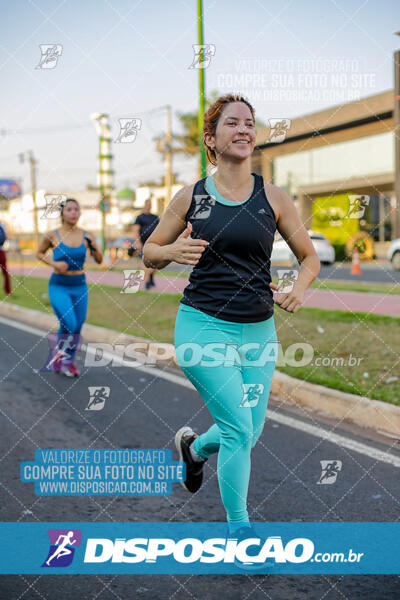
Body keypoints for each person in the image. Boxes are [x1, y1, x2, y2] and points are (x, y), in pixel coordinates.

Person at [142, 93, 320, 551]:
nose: (244, 130)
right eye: (233, 124)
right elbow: (149, 252)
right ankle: (240, 531)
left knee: (249, 429)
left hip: (259, 331)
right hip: (202, 325)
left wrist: (298, 290)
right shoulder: (192, 196)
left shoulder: (274, 197)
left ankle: (195, 448)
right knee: (240, 429)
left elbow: (309, 259)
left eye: (249, 123)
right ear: (211, 139)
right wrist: (170, 252)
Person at [37, 197, 102, 376]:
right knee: (70, 323)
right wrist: (54, 264)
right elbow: (39, 253)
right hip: (59, 285)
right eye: (70, 210)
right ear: (62, 213)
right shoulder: (52, 235)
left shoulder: (87, 235)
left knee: (77, 326)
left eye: (77, 209)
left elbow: (99, 260)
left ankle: (66, 360)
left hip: (80, 286)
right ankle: (63, 358)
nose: (74, 213)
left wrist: (94, 247)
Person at [133, 198, 159, 289]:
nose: (149, 205)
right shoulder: (139, 217)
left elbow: (159, 230)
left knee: (156, 263)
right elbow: (136, 230)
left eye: (150, 204)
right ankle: (147, 282)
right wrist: (138, 242)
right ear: (145, 205)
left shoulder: (155, 217)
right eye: (147, 204)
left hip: (154, 243)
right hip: (143, 243)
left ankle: (151, 276)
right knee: (146, 263)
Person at [0, 221, 11, 296]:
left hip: (1, 251)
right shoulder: (3, 225)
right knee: (5, 272)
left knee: (5, 272)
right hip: (1, 251)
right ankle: (8, 291)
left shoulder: (3, 225)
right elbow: (6, 237)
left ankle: (8, 291)